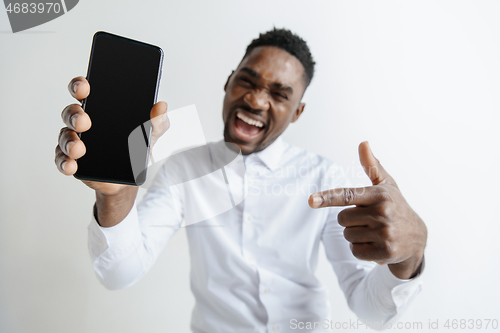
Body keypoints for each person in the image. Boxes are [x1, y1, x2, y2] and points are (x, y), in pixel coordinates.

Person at [55, 28, 427, 332]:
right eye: (247, 81)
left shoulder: (324, 179)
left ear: (297, 112)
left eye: (279, 95)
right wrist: (115, 194)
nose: (255, 100)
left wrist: (408, 258)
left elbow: (371, 310)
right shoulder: (182, 169)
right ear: (228, 82)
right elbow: (119, 273)